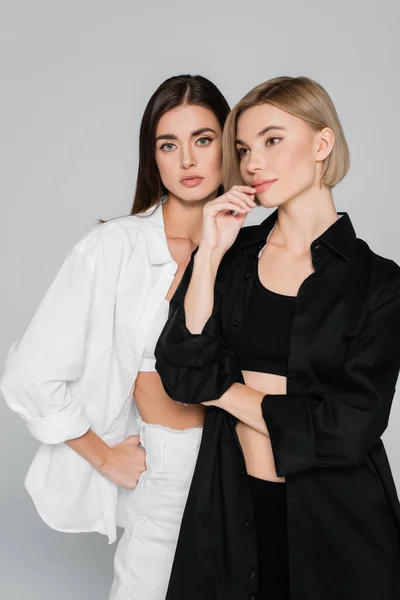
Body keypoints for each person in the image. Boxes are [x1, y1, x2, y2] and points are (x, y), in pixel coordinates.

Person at [155, 76, 400, 600]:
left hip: (341, 528)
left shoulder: (380, 283)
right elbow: (178, 369)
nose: (252, 164)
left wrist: (221, 390)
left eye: (271, 141)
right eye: (243, 149)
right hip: (230, 517)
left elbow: (349, 425)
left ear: (321, 143)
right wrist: (210, 256)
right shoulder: (231, 257)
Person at [0, 74, 230, 600]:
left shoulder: (258, 248)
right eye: (168, 145)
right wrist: (104, 456)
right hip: (166, 470)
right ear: (153, 158)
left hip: (245, 465)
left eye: (203, 139)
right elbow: (30, 375)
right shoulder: (112, 249)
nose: (188, 161)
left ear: (227, 143)